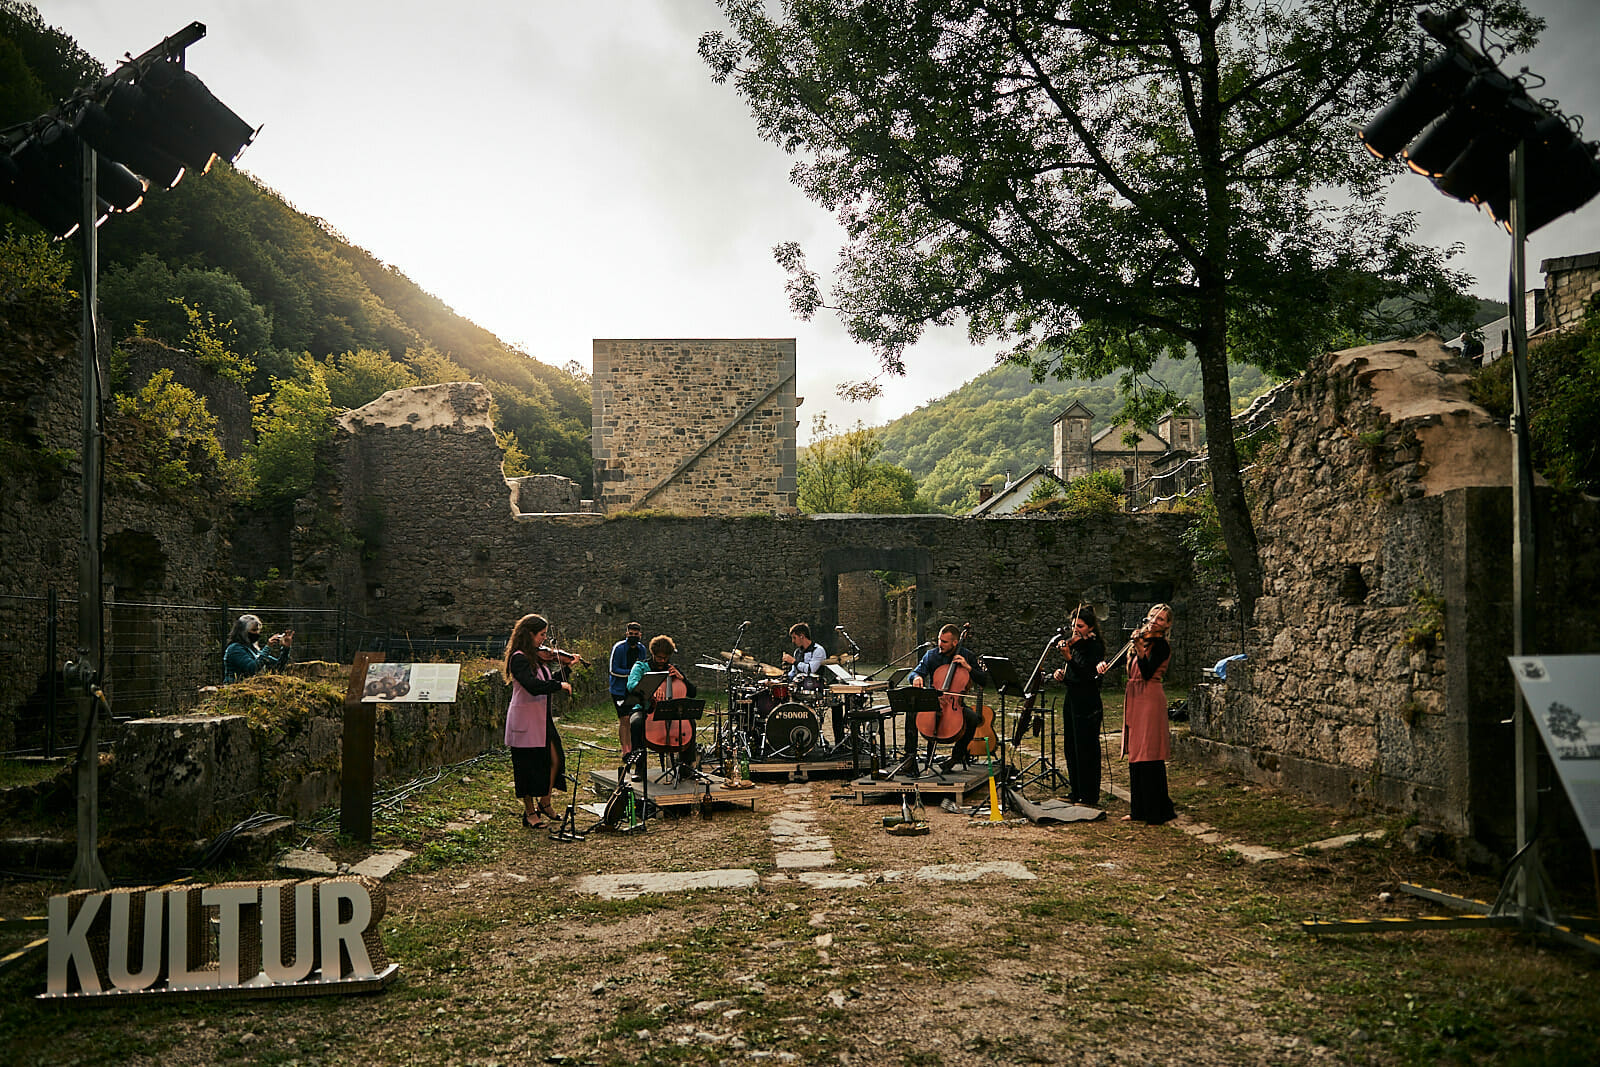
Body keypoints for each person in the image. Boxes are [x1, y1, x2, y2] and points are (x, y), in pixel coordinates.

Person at [1100, 603, 1177, 824]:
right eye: (1152, 616)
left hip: (1150, 697)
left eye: (1160, 619)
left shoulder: (1161, 646)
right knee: (1136, 753)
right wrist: (1105, 665)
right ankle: (1138, 810)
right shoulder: (1140, 641)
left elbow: (1147, 672)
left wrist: (1141, 648)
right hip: (1134, 696)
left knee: (1149, 753)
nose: (1154, 621)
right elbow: (1123, 663)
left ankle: (1156, 811)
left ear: (1167, 625)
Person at [891, 624, 991, 776]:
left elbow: (983, 680)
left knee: (973, 718)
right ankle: (910, 758)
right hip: (933, 701)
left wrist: (968, 667)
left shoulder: (967, 656)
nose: (940, 644)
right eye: (939, 640)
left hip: (955, 704)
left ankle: (955, 758)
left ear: (955, 642)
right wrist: (916, 677)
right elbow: (915, 673)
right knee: (911, 711)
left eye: (944, 641)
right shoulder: (931, 655)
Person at [502, 613, 572, 830]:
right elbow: (533, 686)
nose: (544, 639)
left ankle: (545, 802)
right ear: (529, 634)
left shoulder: (537, 660)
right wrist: (559, 686)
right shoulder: (519, 658)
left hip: (541, 720)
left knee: (556, 759)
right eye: (541, 634)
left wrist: (568, 668)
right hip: (525, 721)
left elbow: (549, 682)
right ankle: (530, 812)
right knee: (527, 767)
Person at [625, 634, 699, 780]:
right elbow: (631, 684)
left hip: (670, 710)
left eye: (665, 658)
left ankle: (686, 767)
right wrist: (650, 687)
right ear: (653, 654)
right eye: (659, 657)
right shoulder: (641, 666)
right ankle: (640, 768)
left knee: (690, 722)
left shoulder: (673, 669)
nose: (662, 661)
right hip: (646, 709)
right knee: (636, 723)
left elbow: (692, 693)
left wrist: (682, 679)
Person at [1053, 606, 1107, 806]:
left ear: (1091, 627)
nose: (1075, 630)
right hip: (1072, 699)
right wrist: (1062, 675)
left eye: (1081, 626)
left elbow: (1087, 676)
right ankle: (1076, 791)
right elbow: (1074, 676)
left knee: (1086, 749)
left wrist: (1068, 658)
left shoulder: (1095, 647)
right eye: (1073, 625)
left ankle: (1089, 795)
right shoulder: (1076, 646)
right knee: (1071, 747)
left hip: (1087, 702)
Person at [608, 621, 648, 755]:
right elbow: (613, 670)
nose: (633, 636)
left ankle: (635, 747)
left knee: (634, 718)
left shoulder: (642, 649)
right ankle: (625, 750)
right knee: (624, 719)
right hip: (619, 689)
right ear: (626, 634)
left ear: (640, 635)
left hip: (634, 689)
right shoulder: (618, 648)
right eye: (631, 634)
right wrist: (631, 673)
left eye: (636, 634)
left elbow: (643, 667)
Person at [222, 614, 293, 682]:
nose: (257, 633)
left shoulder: (253, 649)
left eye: (258, 630)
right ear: (243, 632)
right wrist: (268, 648)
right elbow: (252, 669)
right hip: (236, 687)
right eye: (254, 630)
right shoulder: (235, 649)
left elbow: (278, 667)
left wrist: (286, 649)